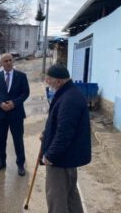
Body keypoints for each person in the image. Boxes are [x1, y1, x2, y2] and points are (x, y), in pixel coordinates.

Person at [40, 64, 91, 213]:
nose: (47, 82)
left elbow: (65, 132)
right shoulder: (68, 93)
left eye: (48, 79)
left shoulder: (69, 99)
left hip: (60, 160)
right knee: (70, 196)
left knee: (57, 199)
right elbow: (59, 123)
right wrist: (46, 133)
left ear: (58, 81)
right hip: (67, 157)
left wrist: (50, 155)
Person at [0, 53, 30, 176]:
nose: (8, 63)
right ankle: (1, 162)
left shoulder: (21, 76)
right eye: (5, 61)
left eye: (10, 60)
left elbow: (25, 93)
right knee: (1, 139)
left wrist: (14, 103)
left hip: (16, 114)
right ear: (1, 63)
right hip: (0, 114)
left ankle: (20, 164)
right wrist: (0, 104)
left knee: (18, 140)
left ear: (13, 61)